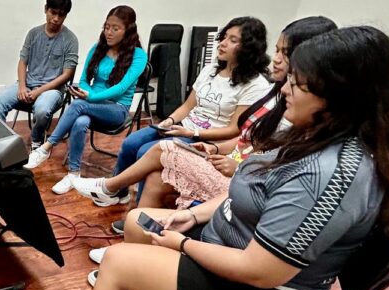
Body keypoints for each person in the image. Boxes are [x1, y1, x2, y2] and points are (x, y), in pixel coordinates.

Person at [45, 26, 389, 290]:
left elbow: (259, 271)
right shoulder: (316, 137)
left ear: (338, 97)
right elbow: (246, 192)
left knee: (118, 261)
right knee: (138, 221)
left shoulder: (325, 175)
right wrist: (195, 216)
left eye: (298, 84)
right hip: (233, 250)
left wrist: (184, 245)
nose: (285, 89)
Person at [73, 17, 338, 233]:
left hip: (223, 157)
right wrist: (172, 122)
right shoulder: (261, 90)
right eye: (277, 51)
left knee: (156, 151)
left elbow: (244, 137)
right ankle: (131, 221)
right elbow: (241, 136)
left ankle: (110, 189)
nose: (276, 59)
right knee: (137, 147)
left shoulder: (270, 94)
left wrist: (200, 137)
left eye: (232, 40)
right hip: (214, 147)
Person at [103, 17, 272, 208]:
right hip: (184, 127)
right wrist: (169, 120)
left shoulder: (255, 84)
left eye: (233, 40)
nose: (223, 43)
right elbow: (187, 106)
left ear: (250, 48)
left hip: (209, 139)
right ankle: (117, 194)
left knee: (145, 151)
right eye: (224, 37)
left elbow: (234, 129)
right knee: (131, 143)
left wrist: (193, 133)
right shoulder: (210, 69)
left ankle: (137, 208)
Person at [23, 5, 147, 194]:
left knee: (78, 105)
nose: (109, 32)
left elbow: (121, 88)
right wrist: (87, 94)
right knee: (80, 120)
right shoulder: (98, 48)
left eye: (115, 28)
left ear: (128, 30)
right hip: (89, 105)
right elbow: (83, 81)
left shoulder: (138, 56)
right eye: (107, 27)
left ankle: (46, 147)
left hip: (116, 109)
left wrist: (91, 97)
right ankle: (73, 174)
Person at [0, 0, 78, 149]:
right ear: (45, 9)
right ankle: (0, 144)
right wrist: (22, 86)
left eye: (61, 15)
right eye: (53, 12)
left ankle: (37, 140)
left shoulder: (70, 39)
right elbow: (22, 62)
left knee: (42, 110)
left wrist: (39, 91)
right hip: (28, 84)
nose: (56, 18)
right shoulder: (33, 34)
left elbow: (67, 75)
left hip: (52, 90)